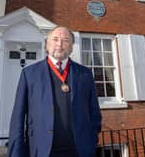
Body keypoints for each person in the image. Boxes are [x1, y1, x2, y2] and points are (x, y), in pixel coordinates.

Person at [8, 26, 102, 157]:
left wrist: (91, 141)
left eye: (65, 40)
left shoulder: (85, 74)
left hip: (79, 150)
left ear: (71, 46)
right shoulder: (29, 74)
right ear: (47, 44)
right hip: (42, 150)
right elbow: (17, 118)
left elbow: (94, 113)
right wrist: (16, 153)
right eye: (55, 39)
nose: (60, 44)